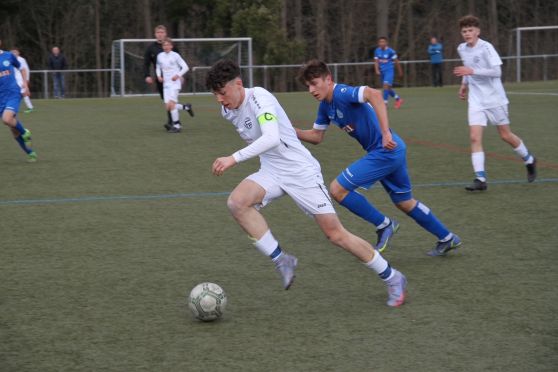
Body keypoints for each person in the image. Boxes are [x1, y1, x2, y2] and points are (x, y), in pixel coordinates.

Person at [207, 59, 407, 307]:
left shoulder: (260, 98)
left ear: (238, 84)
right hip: (271, 170)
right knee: (237, 203)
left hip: (301, 172)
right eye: (215, 94)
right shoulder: (228, 110)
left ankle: (392, 276)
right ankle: (282, 260)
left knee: (336, 235)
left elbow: (271, 137)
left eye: (223, 93)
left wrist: (232, 159)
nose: (219, 100)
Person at [296, 59, 461, 257]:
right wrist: (289, 130)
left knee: (337, 189)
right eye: (308, 86)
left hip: (385, 150)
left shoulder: (342, 93)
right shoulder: (325, 106)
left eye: (314, 83)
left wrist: (385, 133)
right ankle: (447, 238)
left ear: (328, 79)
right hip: (391, 150)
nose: (311, 90)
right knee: (404, 202)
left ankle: (384, 225)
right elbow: (316, 137)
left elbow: (374, 94)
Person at [453, 15, 537, 191]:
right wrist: (464, 85)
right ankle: (480, 179)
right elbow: (467, 69)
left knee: (505, 135)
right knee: (474, 137)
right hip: (476, 100)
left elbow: (497, 72)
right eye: (464, 31)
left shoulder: (486, 47)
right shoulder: (462, 48)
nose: (467, 33)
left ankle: (529, 159)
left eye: (470, 30)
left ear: (477, 31)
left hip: (494, 99)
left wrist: (472, 70)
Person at [144, 25, 193, 132]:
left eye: (162, 32)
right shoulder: (154, 51)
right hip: (163, 82)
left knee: (171, 104)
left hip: (174, 82)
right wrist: (154, 76)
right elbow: (152, 65)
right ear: (155, 34)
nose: (160, 34)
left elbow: (183, 66)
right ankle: (186, 107)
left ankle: (175, 125)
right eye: (158, 32)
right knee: (168, 105)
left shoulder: (174, 53)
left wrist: (180, 75)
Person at [0, 41, 37, 162]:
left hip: (13, 92)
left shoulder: (8, 56)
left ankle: (25, 132)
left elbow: (22, 69)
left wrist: (25, 85)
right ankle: (30, 153)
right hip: (1, 97)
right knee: (13, 129)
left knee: (6, 119)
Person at [156, 38, 191, 133]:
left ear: (171, 46)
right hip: (166, 85)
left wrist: (178, 75)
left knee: (171, 105)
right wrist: (159, 76)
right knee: (168, 107)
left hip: (175, 84)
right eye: (164, 45)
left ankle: (177, 126)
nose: (166, 47)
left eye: (168, 45)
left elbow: (185, 67)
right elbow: (158, 67)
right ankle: (186, 107)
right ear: (162, 46)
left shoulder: (176, 56)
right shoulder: (160, 56)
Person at [374, 37, 403, 109]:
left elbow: (396, 61)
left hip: (389, 71)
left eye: (383, 42)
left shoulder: (391, 51)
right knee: (388, 88)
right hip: (382, 72)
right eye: (380, 42)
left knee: (385, 86)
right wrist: (377, 70)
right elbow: (376, 61)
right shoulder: (377, 51)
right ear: (378, 43)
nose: (382, 43)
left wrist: (400, 71)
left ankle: (384, 103)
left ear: (386, 43)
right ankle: (398, 99)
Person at [11, 48, 34, 113]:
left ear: (18, 53)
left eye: (15, 52)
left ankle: (30, 107)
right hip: (14, 80)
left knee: (24, 93)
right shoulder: (10, 60)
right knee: (18, 94)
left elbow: (26, 70)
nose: (14, 53)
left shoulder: (22, 60)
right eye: (12, 52)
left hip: (21, 80)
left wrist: (26, 80)